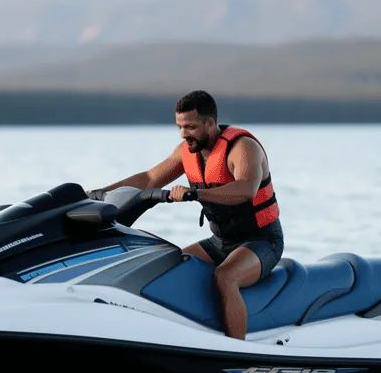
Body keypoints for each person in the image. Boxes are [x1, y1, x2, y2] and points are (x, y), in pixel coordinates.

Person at [90, 90, 283, 339]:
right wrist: (99, 193)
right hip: (219, 242)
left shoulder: (242, 148)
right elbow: (149, 178)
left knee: (225, 277)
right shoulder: (187, 151)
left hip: (261, 241)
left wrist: (196, 194)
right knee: (173, 264)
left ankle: (237, 349)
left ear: (210, 123)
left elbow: (246, 189)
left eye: (190, 127)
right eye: (180, 127)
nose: (184, 134)